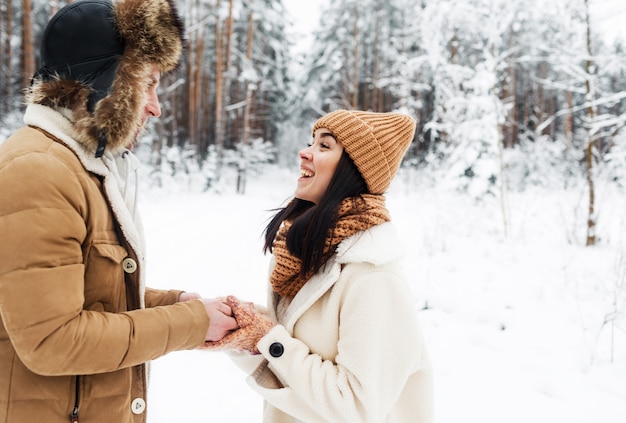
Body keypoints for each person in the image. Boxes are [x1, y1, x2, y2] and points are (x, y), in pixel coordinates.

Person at [0, 1, 238, 421]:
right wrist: (188, 323)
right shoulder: (39, 170)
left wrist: (173, 303)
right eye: (147, 84)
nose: (155, 106)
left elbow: (84, 295)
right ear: (107, 82)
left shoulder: (79, 166)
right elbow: (53, 339)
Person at [204, 110, 434, 422]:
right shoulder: (304, 254)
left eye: (324, 146)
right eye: (311, 143)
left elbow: (356, 408)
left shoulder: (373, 277)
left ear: (354, 170)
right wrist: (249, 334)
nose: (304, 152)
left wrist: (268, 339)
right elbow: (296, 363)